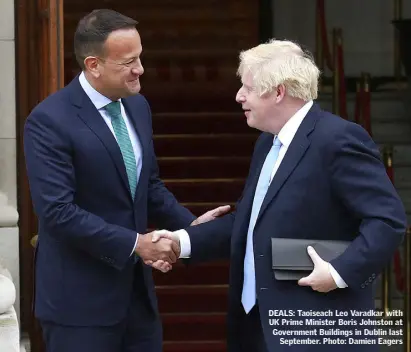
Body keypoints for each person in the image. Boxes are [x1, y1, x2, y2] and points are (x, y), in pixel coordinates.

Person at [150, 39, 407, 352]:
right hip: (258, 329)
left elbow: (387, 220)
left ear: (279, 92)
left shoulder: (338, 139)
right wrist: (182, 241)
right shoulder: (267, 144)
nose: (238, 96)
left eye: (247, 87)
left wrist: (339, 272)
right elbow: (252, 221)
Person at [23, 9, 229, 352]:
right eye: (129, 61)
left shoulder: (137, 106)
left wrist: (192, 226)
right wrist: (138, 244)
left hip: (137, 302)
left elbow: (147, 187)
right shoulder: (48, 121)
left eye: (140, 57)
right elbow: (58, 212)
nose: (141, 70)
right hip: (79, 306)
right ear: (93, 65)